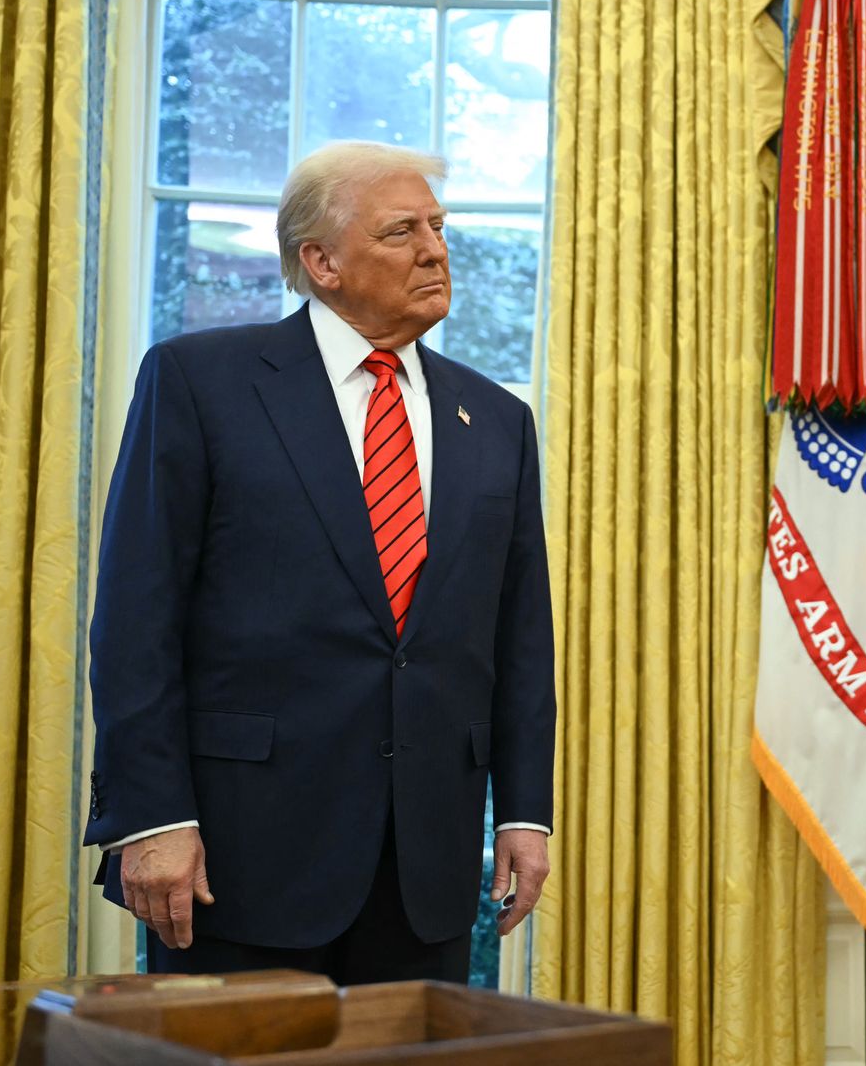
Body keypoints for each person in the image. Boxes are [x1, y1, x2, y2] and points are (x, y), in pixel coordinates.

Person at [85, 141, 556, 984]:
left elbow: (520, 637)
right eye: (402, 231)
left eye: (440, 228)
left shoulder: (495, 418)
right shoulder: (200, 381)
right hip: (239, 855)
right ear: (322, 261)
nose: (435, 250)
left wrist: (524, 812)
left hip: (426, 863)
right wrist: (150, 816)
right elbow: (135, 614)